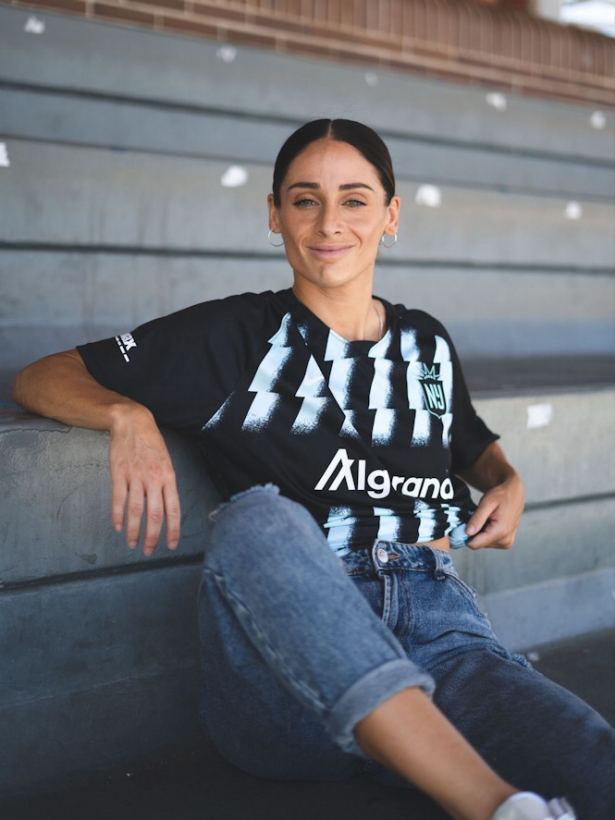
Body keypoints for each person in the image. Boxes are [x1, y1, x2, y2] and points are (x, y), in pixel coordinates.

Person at [14, 120, 613, 820]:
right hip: (293, 673)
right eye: (304, 200)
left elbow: (466, 437)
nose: (329, 222)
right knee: (257, 518)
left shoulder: (425, 340)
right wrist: (127, 416)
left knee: (593, 762)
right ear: (275, 214)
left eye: (354, 200)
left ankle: (428, 751)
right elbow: (45, 375)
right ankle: (497, 808)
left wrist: (504, 478)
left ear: (390, 216)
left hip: (443, 635)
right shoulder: (233, 335)